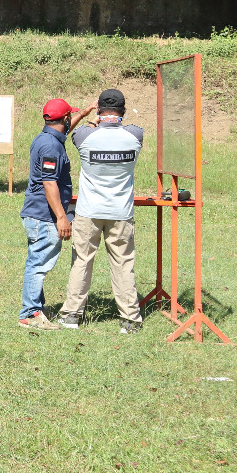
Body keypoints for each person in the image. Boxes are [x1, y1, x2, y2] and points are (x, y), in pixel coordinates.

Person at [58, 89, 146, 334]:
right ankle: (130, 319)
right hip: (121, 212)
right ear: (123, 111)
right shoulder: (135, 135)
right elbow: (129, 129)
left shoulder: (84, 135)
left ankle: (72, 315)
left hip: (89, 211)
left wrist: (91, 119)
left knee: (81, 262)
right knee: (123, 264)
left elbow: (76, 133)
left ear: (99, 110)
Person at [17, 97, 95, 329]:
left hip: (38, 213)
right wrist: (62, 217)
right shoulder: (50, 146)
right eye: (70, 115)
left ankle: (35, 308)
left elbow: (64, 130)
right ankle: (30, 314)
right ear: (65, 118)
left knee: (37, 261)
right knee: (38, 264)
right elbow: (49, 183)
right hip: (44, 215)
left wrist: (84, 115)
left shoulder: (47, 137)